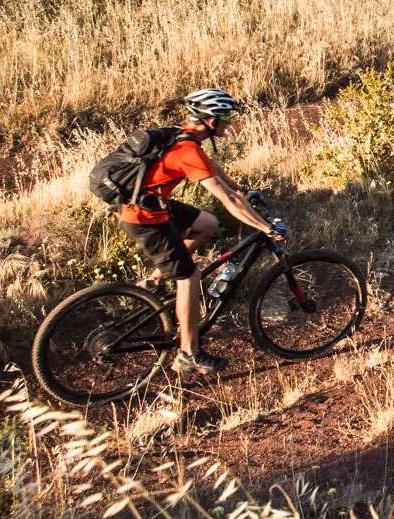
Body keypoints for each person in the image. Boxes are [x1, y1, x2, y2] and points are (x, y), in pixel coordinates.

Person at [117, 88, 284, 375]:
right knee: (189, 276)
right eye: (225, 117)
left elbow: (212, 169)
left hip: (148, 205)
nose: (229, 122)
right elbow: (227, 200)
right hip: (144, 216)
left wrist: (240, 188)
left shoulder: (183, 136)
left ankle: (154, 282)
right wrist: (265, 227)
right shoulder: (187, 149)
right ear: (211, 120)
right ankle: (188, 354)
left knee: (207, 223)